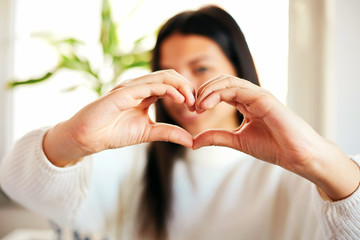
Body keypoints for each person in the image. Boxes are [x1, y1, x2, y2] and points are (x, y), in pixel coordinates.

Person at [1, 5, 360, 240]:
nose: (182, 90)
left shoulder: (292, 170)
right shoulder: (132, 162)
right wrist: (74, 137)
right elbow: (19, 185)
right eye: (169, 73)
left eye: (201, 68)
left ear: (239, 71)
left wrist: (316, 161)